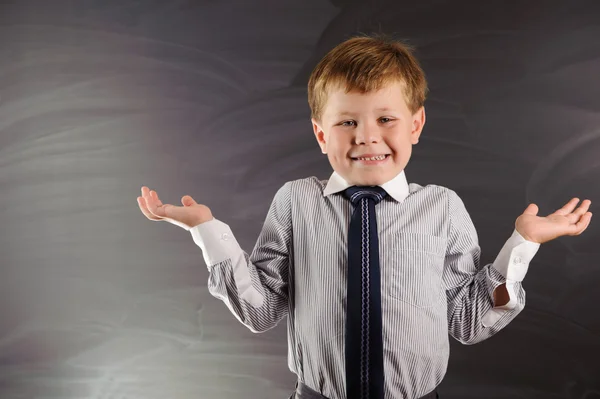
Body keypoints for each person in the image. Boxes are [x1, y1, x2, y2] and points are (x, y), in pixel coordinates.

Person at [137, 33, 593, 399]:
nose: (367, 138)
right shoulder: (295, 202)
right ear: (321, 134)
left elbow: (467, 322)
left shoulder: (442, 207)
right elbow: (261, 311)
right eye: (347, 122)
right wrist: (207, 232)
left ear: (415, 125)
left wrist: (523, 244)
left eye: (386, 119)